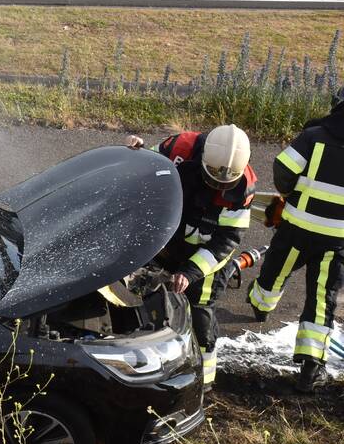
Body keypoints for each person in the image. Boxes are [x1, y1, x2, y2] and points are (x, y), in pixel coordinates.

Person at [127, 125, 255, 390]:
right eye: (214, 181)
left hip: (205, 257)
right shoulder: (179, 148)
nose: (220, 187)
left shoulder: (243, 189)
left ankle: (204, 384)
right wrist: (134, 150)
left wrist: (190, 272)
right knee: (144, 300)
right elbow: (146, 164)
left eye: (225, 184)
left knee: (200, 313)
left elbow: (227, 240)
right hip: (167, 242)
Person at [247, 88, 344, 392]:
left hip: (298, 228)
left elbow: (283, 169)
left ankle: (260, 306)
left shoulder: (314, 135)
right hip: (338, 240)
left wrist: (290, 192)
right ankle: (311, 367)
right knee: (321, 297)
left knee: (275, 272)